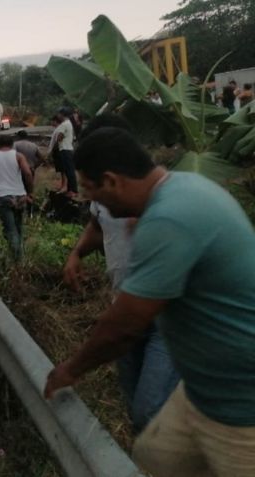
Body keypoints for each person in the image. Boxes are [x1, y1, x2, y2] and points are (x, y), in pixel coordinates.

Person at [45, 126, 255, 476]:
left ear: (112, 181)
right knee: (156, 455)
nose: (92, 202)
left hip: (240, 407)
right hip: (201, 393)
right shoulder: (182, 188)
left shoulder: (169, 218)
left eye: (91, 189)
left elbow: (124, 326)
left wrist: (70, 369)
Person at [63, 115, 178, 434]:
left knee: (149, 409)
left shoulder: (166, 197)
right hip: (124, 307)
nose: (91, 194)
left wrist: (74, 368)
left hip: (162, 319)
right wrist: (76, 254)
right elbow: (97, 225)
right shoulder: (106, 197)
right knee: (136, 410)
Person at [0, 135, 34, 258]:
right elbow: (27, 173)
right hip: (20, 196)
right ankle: (20, 255)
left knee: (10, 229)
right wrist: (30, 192)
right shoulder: (19, 156)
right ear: (12, 144)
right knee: (18, 226)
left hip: (2, 198)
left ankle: (16, 259)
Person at [48, 108, 78, 196]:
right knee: (68, 171)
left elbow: (59, 137)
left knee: (70, 171)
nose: (57, 116)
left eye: (59, 114)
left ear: (62, 115)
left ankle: (73, 190)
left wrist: (56, 143)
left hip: (65, 149)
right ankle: (70, 189)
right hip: (66, 149)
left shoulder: (64, 124)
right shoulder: (68, 123)